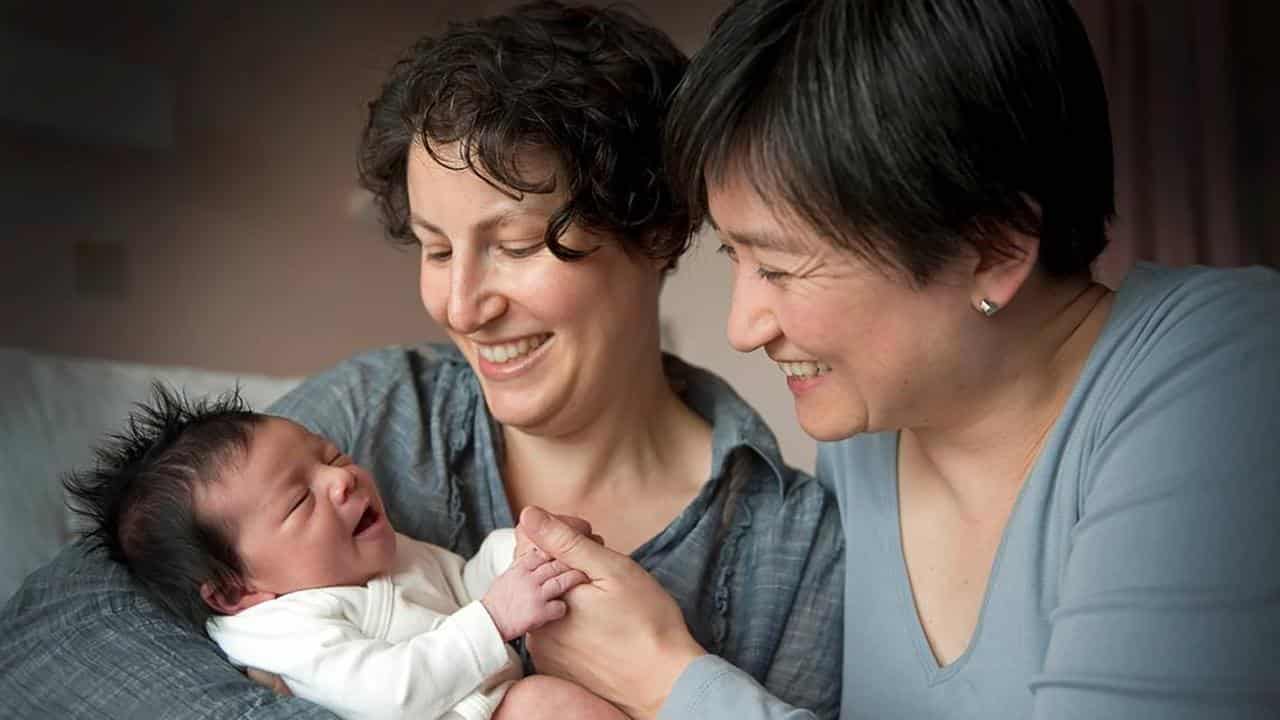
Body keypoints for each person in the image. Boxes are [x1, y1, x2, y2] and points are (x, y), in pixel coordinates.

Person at [0, 3, 844, 718]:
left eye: (514, 244)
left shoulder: (790, 547)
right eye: (437, 250)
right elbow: (48, 637)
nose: (463, 307)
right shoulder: (378, 408)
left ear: (656, 233)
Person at [512, 0, 1280, 718]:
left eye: (780, 267)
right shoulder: (869, 443)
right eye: (735, 256)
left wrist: (666, 679)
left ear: (995, 245)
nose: (744, 326)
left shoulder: (1229, 373)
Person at [60, 384, 622, 720]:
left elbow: (461, 587)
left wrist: (522, 554)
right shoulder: (284, 628)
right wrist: (496, 617)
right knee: (547, 704)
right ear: (236, 590)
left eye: (332, 456)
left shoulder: (376, 555)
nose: (341, 481)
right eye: (300, 501)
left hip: (496, 692)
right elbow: (388, 695)